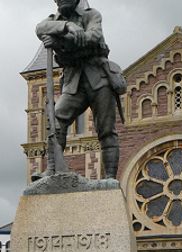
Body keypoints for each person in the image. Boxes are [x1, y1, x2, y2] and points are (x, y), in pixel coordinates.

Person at [35, 0, 126, 179]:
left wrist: (59, 39)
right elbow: (40, 28)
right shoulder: (54, 20)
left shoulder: (91, 15)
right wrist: (67, 26)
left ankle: (109, 179)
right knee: (57, 120)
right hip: (74, 81)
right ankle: (52, 169)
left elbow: (92, 36)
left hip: (99, 78)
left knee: (106, 130)